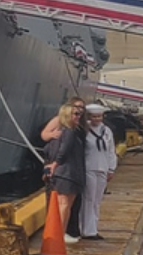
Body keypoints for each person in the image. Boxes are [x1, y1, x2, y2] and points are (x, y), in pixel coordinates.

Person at [44, 103, 86, 246]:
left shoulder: (60, 133)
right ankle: (59, 234)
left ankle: (59, 233)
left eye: (79, 114)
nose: (79, 117)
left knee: (64, 205)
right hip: (68, 173)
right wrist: (56, 164)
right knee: (64, 205)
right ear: (67, 115)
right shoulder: (69, 132)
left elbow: (49, 150)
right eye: (76, 114)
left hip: (65, 173)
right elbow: (64, 150)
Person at [79, 104, 117, 240]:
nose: (97, 119)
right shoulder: (84, 130)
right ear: (88, 117)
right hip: (89, 167)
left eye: (99, 116)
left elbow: (111, 151)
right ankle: (87, 230)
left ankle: (93, 228)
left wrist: (111, 168)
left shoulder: (106, 131)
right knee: (88, 199)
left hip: (103, 167)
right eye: (94, 116)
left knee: (97, 200)